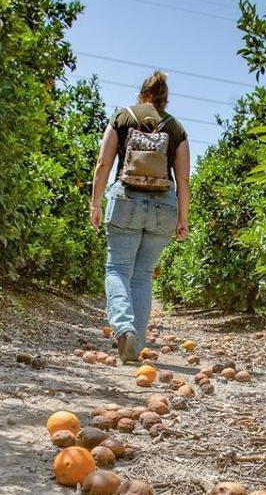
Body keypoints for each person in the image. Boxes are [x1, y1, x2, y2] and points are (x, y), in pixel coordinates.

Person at [89, 71, 190, 363]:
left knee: (118, 269)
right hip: (164, 206)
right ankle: (136, 342)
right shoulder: (176, 128)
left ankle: (123, 328)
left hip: (126, 200)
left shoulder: (122, 117)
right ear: (164, 98)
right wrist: (183, 218)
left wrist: (95, 203)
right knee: (143, 275)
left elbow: (103, 162)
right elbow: (183, 177)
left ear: (141, 94)